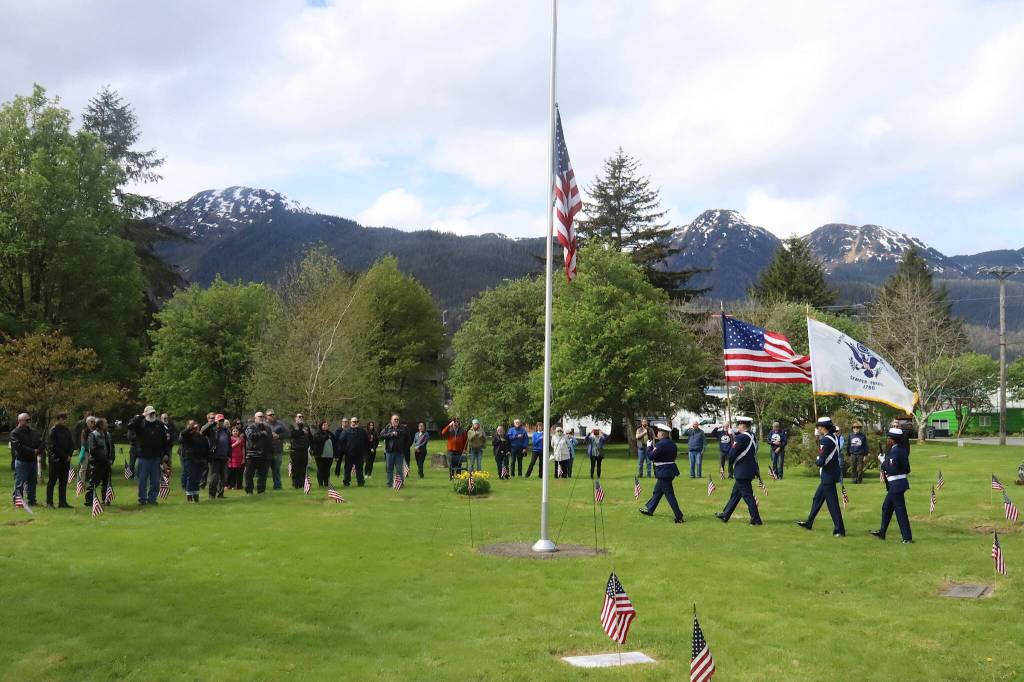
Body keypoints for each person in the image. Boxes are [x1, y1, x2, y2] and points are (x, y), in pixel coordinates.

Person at [797, 416, 846, 537]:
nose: (817, 428)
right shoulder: (832, 437)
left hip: (828, 475)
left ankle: (840, 530)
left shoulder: (826, 440)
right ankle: (809, 522)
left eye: (818, 426)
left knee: (832, 504)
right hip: (831, 473)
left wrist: (817, 458)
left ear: (823, 427)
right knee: (817, 498)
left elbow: (821, 461)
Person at [715, 417, 763, 525]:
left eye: (738, 425)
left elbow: (732, 453)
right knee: (735, 494)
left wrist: (730, 462)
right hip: (749, 469)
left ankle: (756, 519)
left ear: (742, 425)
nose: (738, 427)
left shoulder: (741, 438)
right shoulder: (753, 436)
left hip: (742, 471)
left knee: (748, 496)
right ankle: (725, 514)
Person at [872, 427, 913, 543]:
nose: (887, 440)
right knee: (886, 507)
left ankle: (907, 538)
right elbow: (907, 469)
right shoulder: (902, 449)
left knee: (900, 511)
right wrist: (887, 460)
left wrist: (883, 461)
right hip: (899, 483)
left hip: (896, 485)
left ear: (893, 440)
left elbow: (892, 470)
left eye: (889, 438)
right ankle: (882, 532)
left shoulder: (895, 451)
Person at [639, 423, 684, 523]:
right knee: (657, 492)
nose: (657, 434)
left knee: (669, 494)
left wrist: (649, 447)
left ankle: (679, 516)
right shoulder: (672, 444)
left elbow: (651, 456)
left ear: (662, 434)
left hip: (664, 472)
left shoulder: (661, 444)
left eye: (658, 432)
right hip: (670, 470)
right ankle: (650, 509)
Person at [129, 406, 171, 506]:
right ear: (145, 413)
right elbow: (130, 426)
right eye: (150, 413)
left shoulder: (159, 424)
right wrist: (141, 416)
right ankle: (142, 499)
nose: (152, 415)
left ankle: (152, 499)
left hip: (156, 457)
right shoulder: (140, 423)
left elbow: (165, 440)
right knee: (142, 480)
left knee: (155, 480)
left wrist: (165, 453)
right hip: (143, 456)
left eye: (153, 413)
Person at [10, 413, 42, 506]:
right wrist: (32, 451)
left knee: (32, 482)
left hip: (32, 461)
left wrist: (38, 450)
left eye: (29, 420)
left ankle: (32, 501)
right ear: (19, 421)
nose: (28, 422)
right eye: (26, 420)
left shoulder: (33, 431)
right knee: (19, 482)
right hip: (21, 461)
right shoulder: (15, 433)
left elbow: (39, 442)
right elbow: (18, 446)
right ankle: (18, 502)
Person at [46, 412, 75, 508]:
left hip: (66, 460)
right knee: (52, 481)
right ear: (57, 419)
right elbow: (53, 446)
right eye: (62, 418)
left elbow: (71, 443)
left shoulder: (67, 430)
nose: (64, 420)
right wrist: (64, 456)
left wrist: (70, 455)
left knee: (63, 482)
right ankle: (49, 502)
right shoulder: (53, 431)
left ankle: (62, 502)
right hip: (56, 459)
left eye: (64, 419)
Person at [85, 418, 114, 507]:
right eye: (105, 423)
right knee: (94, 482)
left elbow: (112, 447)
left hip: (107, 463)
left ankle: (106, 499)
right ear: (100, 425)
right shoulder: (92, 435)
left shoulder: (108, 435)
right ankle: (89, 500)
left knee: (106, 482)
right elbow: (93, 450)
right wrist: (104, 459)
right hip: (97, 463)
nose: (107, 425)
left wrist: (111, 458)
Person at [243, 411, 274, 495]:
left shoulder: (267, 427)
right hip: (252, 454)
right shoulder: (250, 427)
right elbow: (250, 436)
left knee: (263, 475)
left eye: (263, 416)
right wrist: (261, 433)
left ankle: (261, 491)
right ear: (255, 418)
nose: (261, 418)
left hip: (264, 454)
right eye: (259, 416)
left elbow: (270, 440)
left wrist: (270, 452)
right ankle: (249, 491)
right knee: (249, 474)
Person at [180, 420, 208, 503]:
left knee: (197, 478)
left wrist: (205, 458)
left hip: (200, 459)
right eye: (193, 426)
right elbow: (184, 434)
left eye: (196, 426)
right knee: (191, 477)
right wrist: (190, 428)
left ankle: (196, 495)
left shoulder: (201, 436)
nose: (195, 427)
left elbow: (205, 447)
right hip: (190, 459)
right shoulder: (188, 436)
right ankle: (189, 495)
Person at [340, 417, 369, 487]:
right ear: (350, 422)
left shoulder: (362, 431)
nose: (355, 423)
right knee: (347, 470)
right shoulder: (346, 431)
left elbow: (366, 442)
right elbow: (341, 441)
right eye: (353, 421)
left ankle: (360, 482)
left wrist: (364, 451)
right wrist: (344, 451)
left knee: (359, 469)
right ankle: (346, 482)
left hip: (359, 454)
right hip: (349, 454)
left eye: (356, 421)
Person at [207, 414, 231, 499]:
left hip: (224, 457)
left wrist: (229, 455)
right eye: (219, 420)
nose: (221, 422)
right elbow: (202, 431)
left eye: (222, 420)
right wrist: (212, 423)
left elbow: (229, 444)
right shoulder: (212, 430)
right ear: (216, 421)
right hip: (214, 457)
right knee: (214, 477)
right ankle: (212, 495)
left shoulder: (226, 431)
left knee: (223, 477)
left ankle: (220, 494)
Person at [380, 414, 406, 486]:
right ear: (391, 420)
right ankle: (389, 483)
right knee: (389, 468)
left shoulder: (402, 428)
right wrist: (391, 434)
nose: (396, 421)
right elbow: (381, 435)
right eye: (395, 419)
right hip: (389, 452)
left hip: (399, 452)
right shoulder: (388, 427)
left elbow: (406, 436)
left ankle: (400, 483)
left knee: (399, 469)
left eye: (397, 419)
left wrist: (397, 433)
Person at [266, 410, 287, 490]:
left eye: (273, 414)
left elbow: (288, 433)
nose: (272, 416)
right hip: (266, 451)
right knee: (264, 470)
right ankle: (262, 487)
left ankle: (277, 486)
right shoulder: (264, 424)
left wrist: (278, 436)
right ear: (266, 416)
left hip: (277, 450)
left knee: (276, 469)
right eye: (270, 415)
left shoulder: (280, 424)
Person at [289, 413, 312, 489]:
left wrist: (312, 447)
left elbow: (310, 437)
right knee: (295, 468)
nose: (301, 418)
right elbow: (293, 434)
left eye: (302, 416)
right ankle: (295, 483)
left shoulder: (306, 426)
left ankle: (302, 484)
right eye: (299, 416)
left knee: (303, 468)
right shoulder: (292, 426)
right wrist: (302, 431)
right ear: (295, 418)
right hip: (295, 450)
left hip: (304, 450)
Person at [310, 420, 335, 487]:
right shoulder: (317, 434)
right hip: (320, 455)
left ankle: (326, 483)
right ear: (321, 426)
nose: (325, 426)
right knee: (321, 469)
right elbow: (319, 440)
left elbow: (335, 443)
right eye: (324, 425)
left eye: (326, 425)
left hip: (329, 455)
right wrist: (326, 436)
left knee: (327, 470)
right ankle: (320, 484)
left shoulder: (331, 434)